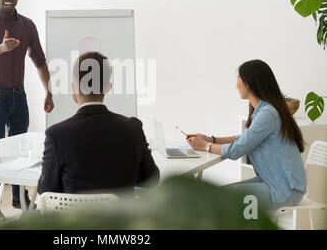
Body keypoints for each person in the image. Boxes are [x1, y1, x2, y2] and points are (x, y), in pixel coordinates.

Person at [0, 0, 54, 215]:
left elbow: (39, 60)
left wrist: (48, 92)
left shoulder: (28, 26)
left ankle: (21, 200)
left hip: (18, 95)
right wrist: (1, 47)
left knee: (23, 149)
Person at [186, 59, 306, 210]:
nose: (236, 85)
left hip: (283, 190)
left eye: (239, 79)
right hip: (272, 182)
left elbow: (236, 150)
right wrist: (211, 139)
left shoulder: (268, 114)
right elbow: (245, 138)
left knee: (216, 201)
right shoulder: (264, 110)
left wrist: (206, 146)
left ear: (250, 84)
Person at [37, 52, 159, 195]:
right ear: (108, 87)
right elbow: (152, 179)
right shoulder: (133, 128)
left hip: (74, 217)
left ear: (73, 87)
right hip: (122, 217)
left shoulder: (56, 135)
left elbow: (45, 189)